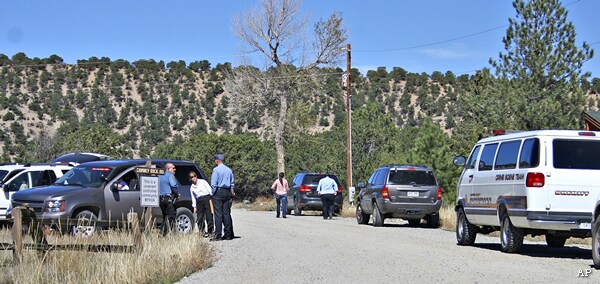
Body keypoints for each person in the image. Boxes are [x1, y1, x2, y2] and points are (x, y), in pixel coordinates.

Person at [210, 153, 235, 241]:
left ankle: (219, 235)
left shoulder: (216, 170)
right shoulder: (229, 170)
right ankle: (228, 235)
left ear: (217, 160)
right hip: (227, 192)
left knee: (218, 214)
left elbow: (214, 184)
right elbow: (232, 183)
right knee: (226, 213)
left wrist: (212, 193)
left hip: (218, 191)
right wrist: (231, 191)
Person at [190, 171, 214, 238]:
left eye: (194, 176)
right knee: (200, 217)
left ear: (196, 176)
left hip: (206, 198)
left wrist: (212, 197)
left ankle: (211, 232)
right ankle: (202, 232)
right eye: (191, 177)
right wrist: (194, 206)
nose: (193, 178)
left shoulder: (203, 182)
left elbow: (209, 189)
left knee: (209, 216)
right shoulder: (192, 187)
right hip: (199, 201)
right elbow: (193, 197)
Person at [159, 162, 180, 236]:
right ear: (168, 169)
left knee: (165, 216)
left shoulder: (159, 175)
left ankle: (162, 234)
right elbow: (173, 185)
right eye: (173, 168)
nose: (175, 169)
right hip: (168, 198)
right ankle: (172, 234)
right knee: (172, 215)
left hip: (160, 199)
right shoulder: (170, 175)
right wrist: (177, 194)